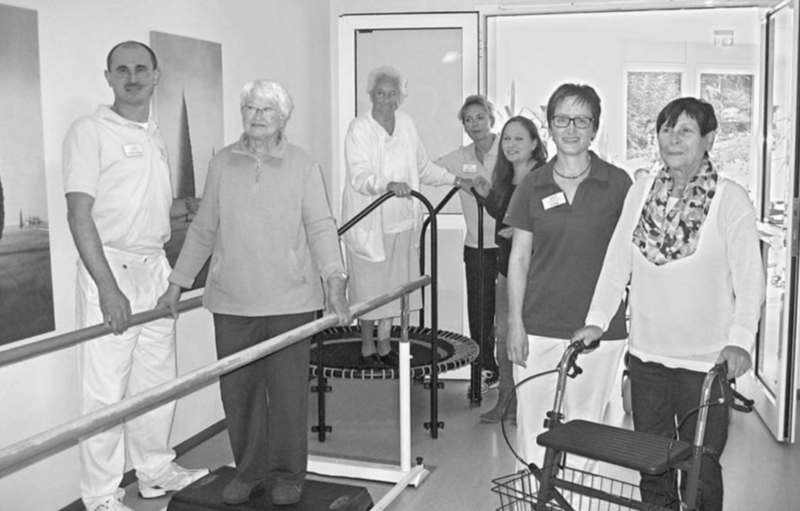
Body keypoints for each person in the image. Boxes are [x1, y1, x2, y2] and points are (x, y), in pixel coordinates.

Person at [159, 79, 351, 507]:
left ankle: (287, 474)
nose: (258, 116)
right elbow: (204, 229)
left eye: (267, 109)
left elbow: (321, 227)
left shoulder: (303, 165)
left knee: (286, 395)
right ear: (242, 113)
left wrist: (335, 281)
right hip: (232, 301)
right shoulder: (222, 164)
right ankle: (249, 471)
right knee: (239, 393)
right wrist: (177, 283)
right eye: (250, 108)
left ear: (283, 116)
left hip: (291, 301)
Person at [573, 97, 765, 511]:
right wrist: (596, 319)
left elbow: (751, 279)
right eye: (666, 129)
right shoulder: (642, 191)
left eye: (686, 130)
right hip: (647, 359)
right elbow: (617, 262)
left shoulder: (730, 198)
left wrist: (741, 341)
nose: (673, 139)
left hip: (706, 366)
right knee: (652, 465)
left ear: (709, 139)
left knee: (701, 469)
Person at [62, 41, 208, 511]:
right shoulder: (89, 131)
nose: (132, 77)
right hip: (111, 270)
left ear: (155, 76)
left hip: (154, 269)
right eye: (121, 70)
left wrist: (185, 209)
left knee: (157, 382)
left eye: (141, 69)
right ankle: (101, 495)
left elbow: (148, 209)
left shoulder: (154, 134)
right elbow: (79, 215)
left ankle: (155, 471)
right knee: (105, 395)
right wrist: (107, 289)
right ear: (108, 77)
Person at [503, 84, 631, 470]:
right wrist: (514, 323)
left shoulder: (618, 184)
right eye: (562, 119)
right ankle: (535, 496)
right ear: (549, 126)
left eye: (581, 120)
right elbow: (518, 258)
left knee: (585, 430)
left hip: (599, 329)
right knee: (532, 427)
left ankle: (577, 499)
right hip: (538, 325)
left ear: (595, 128)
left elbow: (629, 258)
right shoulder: (533, 183)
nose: (571, 129)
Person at [341, 65, 473, 368]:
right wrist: (386, 185)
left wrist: (455, 180)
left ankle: (385, 344)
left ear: (400, 96)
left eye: (392, 94)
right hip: (371, 226)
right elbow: (359, 176)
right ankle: (367, 347)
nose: (386, 99)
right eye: (380, 93)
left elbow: (422, 167)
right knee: (370, 291)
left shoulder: (406, 124)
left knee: (395, 289)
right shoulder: (359, 128)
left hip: (403, 223)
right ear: (371, 94)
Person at [472, 116, 548, 423]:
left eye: (519, 139)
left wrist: (523, 232)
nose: (511, 145)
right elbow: (503, 214)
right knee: (503, 333)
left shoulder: (545, 177)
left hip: (539, 270)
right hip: (507, 267)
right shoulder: (504, 176)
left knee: (536, 336)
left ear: (534, 143)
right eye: (506, 138)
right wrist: (486, 196)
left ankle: (533, 404)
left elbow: (554, 220)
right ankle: (507, 400)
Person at [435, 95, 501, 397]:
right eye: (468, 119)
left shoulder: (507, 148)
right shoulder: (461, 157)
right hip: (477, 247)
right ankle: (487, 369)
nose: (475, 124)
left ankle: (516, 373)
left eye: (480, 117)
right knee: (480, 312)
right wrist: (457, 180)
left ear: (491, 119)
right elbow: (428, 171)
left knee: (510, 312)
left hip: (512, 245)